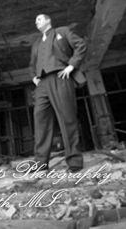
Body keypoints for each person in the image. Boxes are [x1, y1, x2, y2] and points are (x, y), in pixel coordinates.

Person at [29, 13, 86, 172]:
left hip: (60, 77)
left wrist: (71, 66)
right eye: (35, 20)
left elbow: (81, 45)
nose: (36, 22)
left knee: (67, 118)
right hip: (42, 83)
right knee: (40, 119)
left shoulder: (63, 32)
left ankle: (74, 161)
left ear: (48, 20)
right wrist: (34, 77)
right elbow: (31, 64)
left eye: (39, 19)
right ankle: (40, 163)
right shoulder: (36, 44)